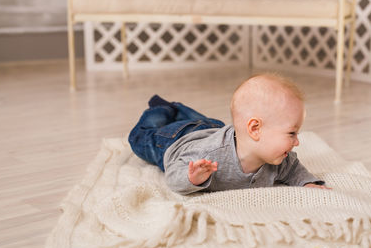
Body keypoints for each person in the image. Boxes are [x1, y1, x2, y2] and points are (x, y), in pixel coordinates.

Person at [128, 73, 330, 195]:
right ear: (255, 129)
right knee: (139, 138)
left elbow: (294, 169)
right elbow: (173, 175)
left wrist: (308, 183)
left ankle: (179, 108)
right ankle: (161, 109)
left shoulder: (278, 160)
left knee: (204, 122)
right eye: (292, 133)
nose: (297, 142)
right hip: (177, 139)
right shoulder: (209, 156)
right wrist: (192, 178)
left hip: (215, 128)